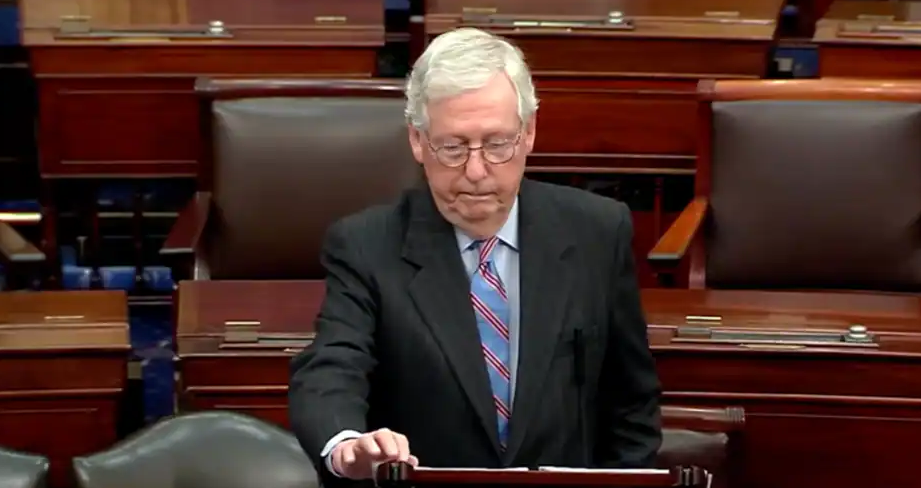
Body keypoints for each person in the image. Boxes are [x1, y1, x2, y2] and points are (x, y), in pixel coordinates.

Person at [288, 27, 662, 486]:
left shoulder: (597, 232)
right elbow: (331, 367)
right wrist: (347, 444)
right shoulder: (365, 245)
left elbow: (631, 402)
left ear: (529, 133)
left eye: (497, 143)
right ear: (418, 141)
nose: (476, 171)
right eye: (453, 147)